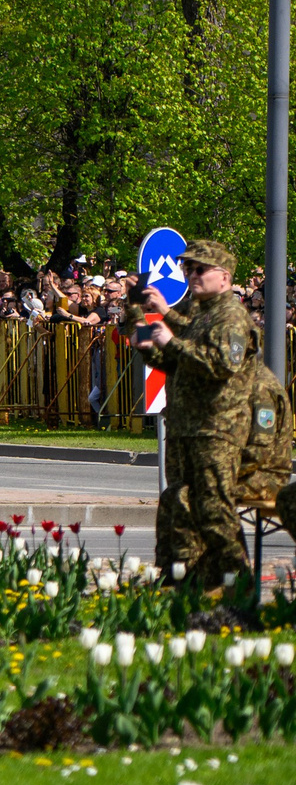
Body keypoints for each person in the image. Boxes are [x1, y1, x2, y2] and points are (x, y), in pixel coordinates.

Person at [144, 238, 259, 599]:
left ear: (223, 277)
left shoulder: (232, 315)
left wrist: (171, 340)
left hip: (216, 429)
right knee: (179, 502)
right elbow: (180, 362)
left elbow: (223, 363)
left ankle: (237, 583)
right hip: (186, 427)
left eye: (199, 269)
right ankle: (184, 579)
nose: (190, 274)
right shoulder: (203, 313)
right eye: (187, 268)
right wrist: (152, 344)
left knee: (214, 508)